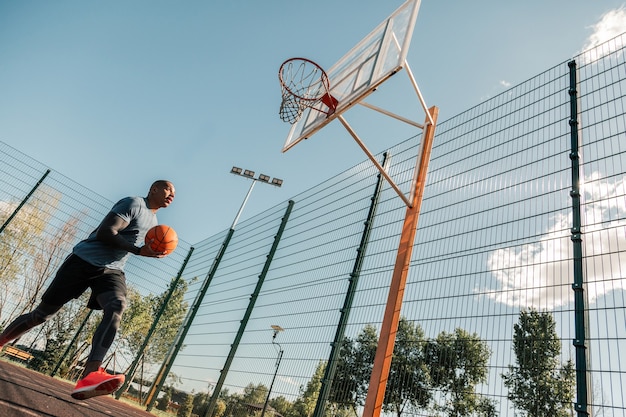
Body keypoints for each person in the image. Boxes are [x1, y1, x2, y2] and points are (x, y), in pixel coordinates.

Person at [0, 180, 175, 400]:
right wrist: (138, 251)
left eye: (174, 193)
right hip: (83, 261)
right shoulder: (134, 203)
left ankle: (90, 375)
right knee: (42, 315)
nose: (172, 194)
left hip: (111, 270)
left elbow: (137, 245)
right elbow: (106, 232)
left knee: (117, 306)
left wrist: (150, 249)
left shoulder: (155, 223)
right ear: (154, 189)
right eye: (168, 189)